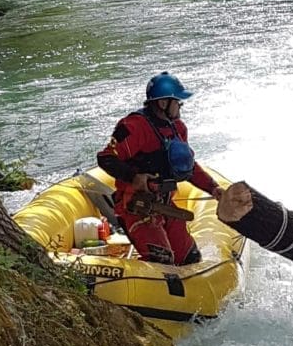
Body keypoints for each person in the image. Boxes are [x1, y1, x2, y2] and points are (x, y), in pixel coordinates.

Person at [96, 72, 224, 265]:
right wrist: (134, 176)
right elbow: (105, 158)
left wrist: (213, 188)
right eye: (177, 102)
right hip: (137, 208)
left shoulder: (177, 128)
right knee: (163, 261)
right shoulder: (133, 127)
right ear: (163, 103)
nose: (181, 106)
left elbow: (188, 168)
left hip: (165, 206)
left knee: (191, 259)